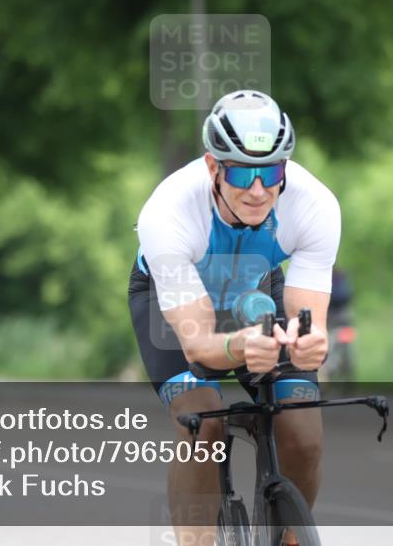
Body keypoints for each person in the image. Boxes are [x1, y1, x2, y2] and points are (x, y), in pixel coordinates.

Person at [129, 90, 340, 545]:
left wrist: (313, 342)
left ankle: (289, 537)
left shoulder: (315, 206)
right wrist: (240, 347)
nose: (259, 189)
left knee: (302, 428)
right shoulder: (168, 212)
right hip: (176, 303)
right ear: (213, 167)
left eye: (272, 171)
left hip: (257, 288)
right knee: (203, 421)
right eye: (243, 172)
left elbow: (312, 320)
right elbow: (199, 344)